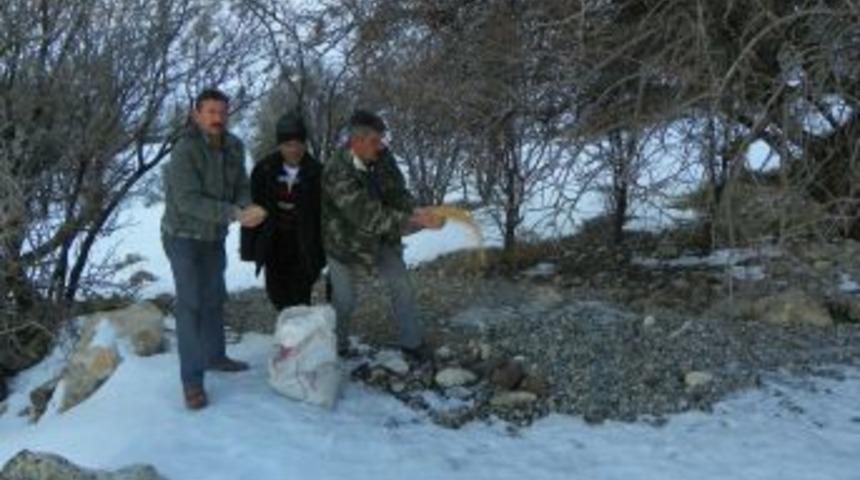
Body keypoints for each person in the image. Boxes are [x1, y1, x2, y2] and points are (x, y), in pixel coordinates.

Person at [161, 88, 267, 410]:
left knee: (214, 297)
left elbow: (242, 188)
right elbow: (187, 201)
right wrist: (234, 213)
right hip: (182, 235)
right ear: (197, 115)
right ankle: (192, 382)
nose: (217, 118)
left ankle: (215, 356)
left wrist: (249, 207)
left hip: (213, 236)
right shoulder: (185, 150)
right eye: (210, 112)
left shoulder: (234, 146)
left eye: (222, 112)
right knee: (191, 304)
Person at [322, 109, 445, 361]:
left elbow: (397, 193)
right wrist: (414, 221)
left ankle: (412, 343)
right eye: (375, 141)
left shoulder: (383, 158)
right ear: (356, 141)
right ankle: (337, 346)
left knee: (402, 284)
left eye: (382, 140)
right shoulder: (336, 170)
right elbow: (367, 215)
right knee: (344, 299)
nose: (380, 147)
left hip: (382, 239)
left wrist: (416, 209)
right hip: (344, 244)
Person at [241, 110, 325, 310]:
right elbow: (252, 208)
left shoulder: (317, 172)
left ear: (305, 144)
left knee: (301, 296)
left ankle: (299, 336)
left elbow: (325, 215)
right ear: (279, 145)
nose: (293, 150)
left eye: (298, 144)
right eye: (288, 145)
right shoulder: (264, 170)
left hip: (304, 243)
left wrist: (324, 251)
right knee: (277, 294)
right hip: (274, 242)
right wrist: (249, 249)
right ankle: (288, 334)